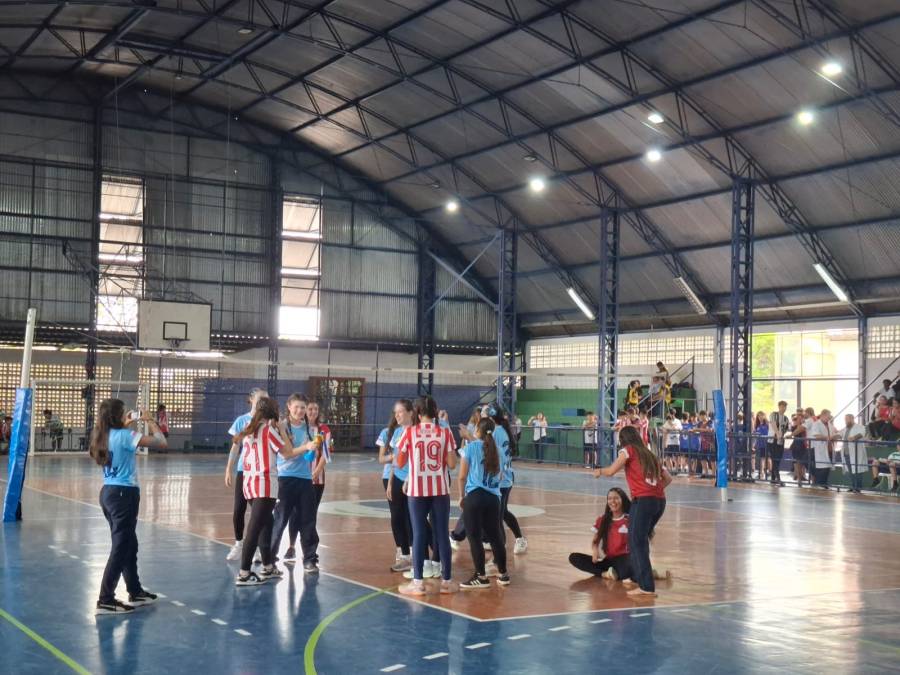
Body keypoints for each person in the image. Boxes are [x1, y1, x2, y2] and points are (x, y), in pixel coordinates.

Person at [89, 400, 167, 614]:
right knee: (121, 547)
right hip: (124, 495)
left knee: (129, 544)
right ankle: (105, 599)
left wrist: (125, 425)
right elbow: (161, 442)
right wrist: (149, 420)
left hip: (108, 493)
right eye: (124, 413)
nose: (128, 415)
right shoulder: (125, 436)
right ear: (117, 416)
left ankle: (135, 591)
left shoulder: (101, 435)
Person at [594, 426, 672, 597]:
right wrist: (655, 490)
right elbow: (668, 478)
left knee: (636, 542)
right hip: (659, 501)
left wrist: (599, 471)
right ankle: (639, 576)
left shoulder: (628, 450)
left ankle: (646, 586)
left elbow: (612, 470)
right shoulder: (650, 455)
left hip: (643, 501)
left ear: (623, 439)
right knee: (641, 540)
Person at [234, 396, 304, 586]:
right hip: (264, 484)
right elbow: (287, 453)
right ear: (273, 412)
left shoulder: (249, 428)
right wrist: (283, 430)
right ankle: (244, 573)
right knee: (255, 528)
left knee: (267, 523)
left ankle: (268, 566)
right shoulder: (268, 430)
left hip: (249, 483)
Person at [395, 395, 457, 596]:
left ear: (417, 412)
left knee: (419, 533)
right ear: (435, 411)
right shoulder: (445, 432)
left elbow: (400, 462)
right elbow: (452, 464)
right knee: (442, 534)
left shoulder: (409, 432)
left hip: (417, 490)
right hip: (440, 489)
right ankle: (447, 582)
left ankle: (418, 583)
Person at [268, 394, 321, 574]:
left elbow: (310, 456)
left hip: (305, 479)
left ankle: (310, 559)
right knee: (280, 520)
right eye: (296, 407)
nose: (300, 411)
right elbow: (286, 454)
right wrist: (306, 447)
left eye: (303, 407)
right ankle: (270, 559)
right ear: (289, 406)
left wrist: (313, 450)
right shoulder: (281, 427)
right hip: (285, 479)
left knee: (308, 520)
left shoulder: (310, 429)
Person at [457, 417, 510, 589]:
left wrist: (461, 496)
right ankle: (503, 574)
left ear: (477, 430)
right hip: (493, 498)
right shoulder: (498, 450)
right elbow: (501, 476)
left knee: (474, 538)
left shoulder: (471, 447)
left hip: (475, 496)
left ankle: (481, 576)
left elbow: (462, 476)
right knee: (496, 537)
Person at [224, 388, 267, 562]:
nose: (263, 402)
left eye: (266, 399)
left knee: (259, 513)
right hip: (245, 470)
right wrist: (229, 468)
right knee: (238, 509)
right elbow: (235, 447)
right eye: (260, 399)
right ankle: (239, 543)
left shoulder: (270, 422)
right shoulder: (242, 420)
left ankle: (257, 548)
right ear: (251, 400)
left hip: (262, 472)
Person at [568, 487, 633, 581]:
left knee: (627, 569)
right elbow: (595, 541)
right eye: (610, 498)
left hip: (625, 559)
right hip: (608, 560)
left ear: (622, 500)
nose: (613, 501)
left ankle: (640, 571)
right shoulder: (603, 519)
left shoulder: (630, 519)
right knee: (574, 558)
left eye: (616, 498)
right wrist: (595, 551)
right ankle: (605, 574)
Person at [377, 411, 410, 572]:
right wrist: (396, 456)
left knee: (409, 516)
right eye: (397, 413)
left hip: (409, 477)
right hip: (391, 477)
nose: (399, 416)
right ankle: (401, 551)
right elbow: (381, 458)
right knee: (396, 516)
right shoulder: (387, 433)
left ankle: (412, 553)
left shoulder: (412, 431)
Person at [808, 409, 838, 489]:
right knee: (822, 468)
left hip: (829, 448)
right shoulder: (816, 424)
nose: (829, 418)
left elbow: (835, 432)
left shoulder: (829, 424)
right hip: (820, 449)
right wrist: (827, 437)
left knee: (827, 468)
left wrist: (836, 435)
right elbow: (816, 435)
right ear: (823, 415)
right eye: (828, 416)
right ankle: (820, 484)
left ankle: (824, 484)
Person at [840, 413, 867, 493]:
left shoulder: (860, 427)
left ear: (852, 419)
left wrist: (854, 437)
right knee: (850, 471)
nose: (846, 421)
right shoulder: (845, 429)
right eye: (845, 419)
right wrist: (832, 437)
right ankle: (853, 486)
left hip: (856, 454)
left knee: (857, 471)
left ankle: (858, 488)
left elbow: (861, 434)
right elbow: (839, 434)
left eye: (847, 419)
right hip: (846, 453)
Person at [767, 401, 789, 486]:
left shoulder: (786, 418)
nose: (784, 408)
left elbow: (785, 429)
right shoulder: (773, 414)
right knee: (774, 459)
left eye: (785, 407)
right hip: (772, 441)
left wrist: (781, 435)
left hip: (781, 442)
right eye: (782, 406)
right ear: (779, 406)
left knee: (777, 460)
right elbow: (773, 424)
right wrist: (777, 433)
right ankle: (778, 478)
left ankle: (773, 478)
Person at [790, 410, 810, 486]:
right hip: (797, 445)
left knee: (803, 462)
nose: (800, 417)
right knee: (797, 462)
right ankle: (798, 478)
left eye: (801, 416)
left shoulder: (805, 424)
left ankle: (802, 476)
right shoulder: (794, 425)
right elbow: (796, 432)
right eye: (798, 416)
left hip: (804, 445)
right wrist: (798, 423)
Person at [753, 411, 769, 481]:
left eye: (761, 415)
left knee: (767, 459)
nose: (760, 417)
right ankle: (762, 472)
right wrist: (754, 445)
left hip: (766, 444)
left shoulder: (767, 425)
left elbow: (767, 434)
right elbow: (755, 434)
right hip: (759, 445)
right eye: (759, 416)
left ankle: (767, 472)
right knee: (761, 459)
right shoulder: (757, 425)